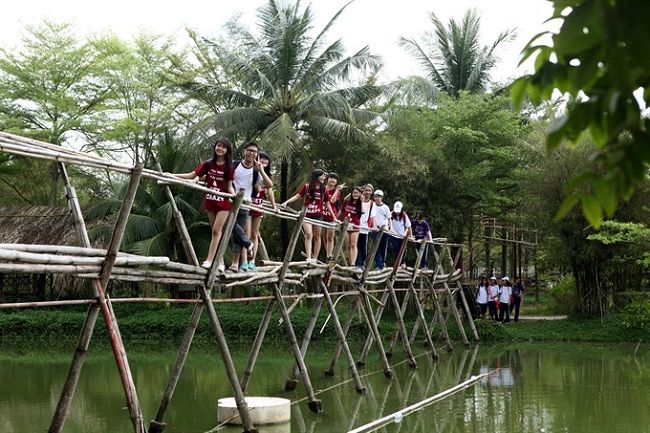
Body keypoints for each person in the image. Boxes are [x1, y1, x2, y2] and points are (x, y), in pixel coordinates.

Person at [172, 138, 234, 270]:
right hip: (210, 201)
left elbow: (229, 187)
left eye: (223, 147)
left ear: (227, 150)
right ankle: (221, 262)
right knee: (214, 232)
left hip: (224, 203)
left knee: (217, 230)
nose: (220, 149)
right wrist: (172, 175)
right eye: (218, 146)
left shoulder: (229, 166)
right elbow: (191, 175)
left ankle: (210, 260)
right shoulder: (208, 164)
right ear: (215, 147)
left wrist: (234, 197)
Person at [230, 141, 273, 272]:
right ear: (244, 151)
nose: (251, 153)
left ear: (256, 154)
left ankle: (239, 262)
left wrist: (260, 169)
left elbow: (269, 185)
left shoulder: (256, 171)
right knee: (232, 230)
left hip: (246, 205)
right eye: (249, 150)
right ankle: (244, 252)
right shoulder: (234, 164)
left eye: (254, 152)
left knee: (244, 233)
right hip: (230, 202)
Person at [281, 169, 334, 263]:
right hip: (306, 215)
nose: (323, 178)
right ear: (316, 176)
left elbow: (327, 204)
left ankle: (315, 258)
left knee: (317, 237)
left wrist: (333, 217)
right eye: (322, 176)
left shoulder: (324, 189)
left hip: (319, 216)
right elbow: (297, 196)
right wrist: (286, 202)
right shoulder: (307, 187)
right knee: (308, 234)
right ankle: (309, 257)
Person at [247, 151, 276, 269]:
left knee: (255, 234)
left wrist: (274, 207)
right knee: (247, 233)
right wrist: (258, 170)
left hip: (259, 207)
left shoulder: (267, 175)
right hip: (248, 206)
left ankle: (252, 260)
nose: (263, 161)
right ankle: (245, 258)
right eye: (261, 159)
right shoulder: (250, 171)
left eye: (266, 160)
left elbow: (270, 189)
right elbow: (257, 188)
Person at [339, 186, 363, 266]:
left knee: (353, 245)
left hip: (355, 226)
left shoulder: (360, 204)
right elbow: (341, 211)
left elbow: (363, 211)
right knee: (348, 245)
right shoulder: (347, 201)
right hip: (346, 226)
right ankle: (350, 262)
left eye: (357, 193)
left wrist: (361, 200)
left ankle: (353, 263)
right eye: (354, 193)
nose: (355, 194)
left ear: (360, 194)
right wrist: (335, 218)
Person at [323, 173, 344, 259]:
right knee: (322, 236)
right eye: (331, 178)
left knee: (330, 236)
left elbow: (332, 201)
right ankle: (326, 254)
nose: (332, 180)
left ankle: (329, 255)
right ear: (327, 179)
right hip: (321, 214)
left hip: (331, 216)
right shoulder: (321, 188)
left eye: (335, 179)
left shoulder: (337, 191)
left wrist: (337, 190)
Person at [368, 190, 391, 269]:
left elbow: (389, 219)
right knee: (375, 247)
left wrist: (390, 228)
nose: (377, 198)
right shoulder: (372, 205)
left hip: (384, 230)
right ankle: (379, 264)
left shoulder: (385, 207)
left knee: (383, 247)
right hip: (375, 229)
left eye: (379, 197)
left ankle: (382, 263)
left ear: (381, 197)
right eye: (376, 196)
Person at [355, 184, 375, 269]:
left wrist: (373, 226)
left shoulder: (372, 203)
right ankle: (356, 263)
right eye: (366, 190)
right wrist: (357, 189)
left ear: (371, 192)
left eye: (369, 190)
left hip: (365, 227)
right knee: (355, 245)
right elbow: (347, 199)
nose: (367, 192)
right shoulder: (358, 199)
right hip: (356, 225)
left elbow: (373, 216)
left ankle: (361, 263)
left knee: (363, 246)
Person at [388, 201, 412, 266]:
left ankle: (403, 262)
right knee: (395, 249)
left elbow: (409, 226)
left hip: (402, 236)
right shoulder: (390, 214)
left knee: (403, 250)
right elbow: (387, 223)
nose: (397, 212)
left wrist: (411, 236)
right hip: (393, 235)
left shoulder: (404, 215)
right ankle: (397, 263)